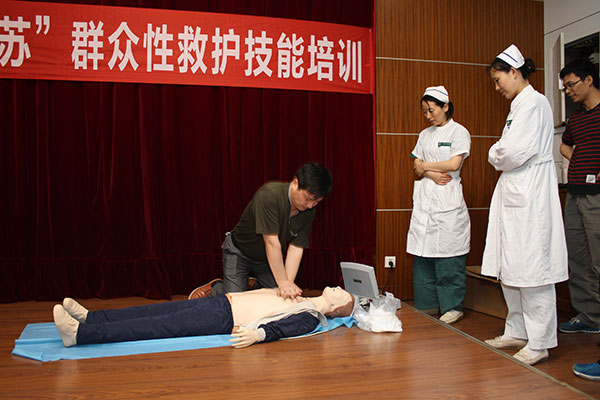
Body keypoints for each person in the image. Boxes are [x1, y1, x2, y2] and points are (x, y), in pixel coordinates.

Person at [481, 44, 568, 366]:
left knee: (533, 269)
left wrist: (495, 152)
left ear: (514, 72)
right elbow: (506, 151)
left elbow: (510, 153)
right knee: (512, 266)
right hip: (517, 191)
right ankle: (517, 330)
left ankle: (540, 341)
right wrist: (499, 152)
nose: (497, 87)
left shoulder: (533, 103)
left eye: (498, 79)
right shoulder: (519, 105)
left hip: (530, 194)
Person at [196, 162, 332, 300]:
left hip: (267, 260)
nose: (310, 205)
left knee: (279, 300)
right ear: (295, 183)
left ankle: (254, 287)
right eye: (308, 198)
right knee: (237, 303)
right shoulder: (269, 195)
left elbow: (296, 248)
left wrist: (287, 284)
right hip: (239, 252)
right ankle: (217, 288)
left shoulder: (309, 211)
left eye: (316, 201)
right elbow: (271, 243)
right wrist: (283, 283)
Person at [52, 286, 354, 348]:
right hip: (221, 302)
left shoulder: (312, 316)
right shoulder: (300, 293)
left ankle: (79, 335)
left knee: (154, 326)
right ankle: (92, 318)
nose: (339, 287)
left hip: (222, 318)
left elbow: (285, 328)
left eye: (343, 294)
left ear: (338, 310)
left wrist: (258, 335)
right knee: (152, 311)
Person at [407, 86, 471, 325]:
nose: (428, 116)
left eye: (432, 110)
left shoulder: (459, 132)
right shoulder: (425, 134)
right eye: (424, 111)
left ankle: (452, 307)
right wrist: (429, 172)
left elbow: (454, 164)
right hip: (426, 198)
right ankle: (427, 304)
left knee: (448, 259)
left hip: (447, 200)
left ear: (445, 106)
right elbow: (416, 165)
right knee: (423, 255)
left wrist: (426, 167)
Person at [557, 58, 600, 335]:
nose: (568, 91)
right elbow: (564, 146)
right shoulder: (576, 118)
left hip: (597, 197)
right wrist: (581, 162)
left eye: (571, 84)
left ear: (589, 80)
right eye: (565, 87)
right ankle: (590, 317)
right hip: (574, 194)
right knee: (579, 259)